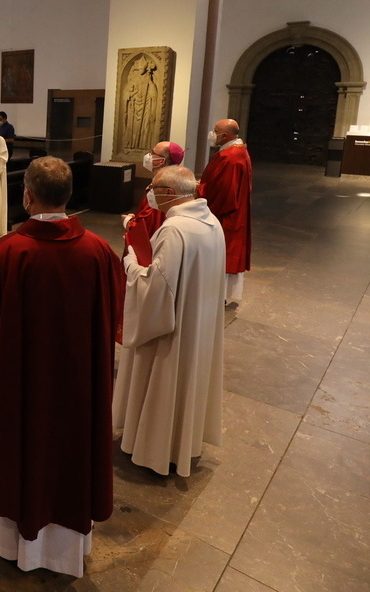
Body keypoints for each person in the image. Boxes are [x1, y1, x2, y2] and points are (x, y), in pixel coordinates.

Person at [0, 156, 125, 576]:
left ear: (28, 196)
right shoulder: (98, 251)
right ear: (68, 196)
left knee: (21, 443)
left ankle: (10, 540)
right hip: (78, 387)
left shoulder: (5, 252)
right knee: (71, 448)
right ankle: (66, 547)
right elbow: (114, 310)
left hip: (21, 386)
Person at [113, 166, 226, 476]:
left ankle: (155, 450)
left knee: (166, 382)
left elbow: (156, 288)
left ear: (169, 193)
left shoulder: (174, 230)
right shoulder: (212, 222)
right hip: (197, 323)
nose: (149, 193)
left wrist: (131, 262)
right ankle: (181, 444)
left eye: (153, 188)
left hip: (172, 334)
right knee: (187, 383)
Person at [199, 118, 252, 302]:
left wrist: (199, 190)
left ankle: (216, 295)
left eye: (215, 131)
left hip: (226, 214)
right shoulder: (236, 150)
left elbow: (223, 191)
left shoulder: (230, 157)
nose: (212, 134)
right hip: (235, 210)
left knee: (224, 251)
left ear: (224, 135)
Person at [122, 141, 185, 250]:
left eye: (152, 153)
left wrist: (128, 222)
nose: (148, 156)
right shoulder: (172, 181)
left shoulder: (161, 189)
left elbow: (148, 225)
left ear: (161, 161)